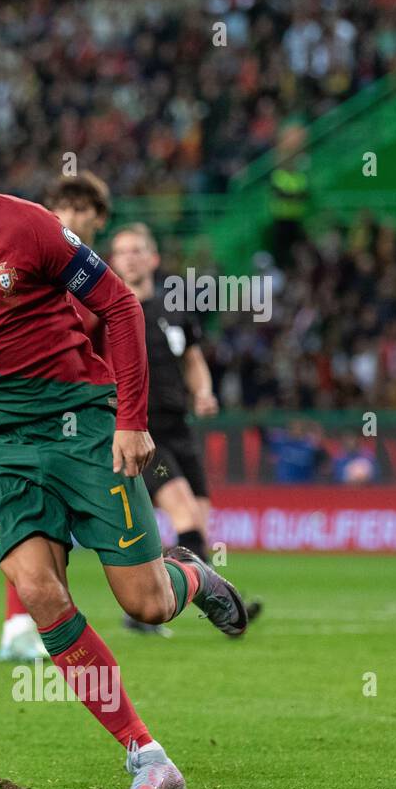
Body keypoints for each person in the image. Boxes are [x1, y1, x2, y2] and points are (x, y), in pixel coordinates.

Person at [0, 105, 248, 789]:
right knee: (40, 592)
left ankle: (193, 579)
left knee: (147, 602)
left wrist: (130, 421)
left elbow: (120, 308)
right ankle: (147, 755)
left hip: (83, 426)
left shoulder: (27, 227)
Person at [107, 223, 262, 635]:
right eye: (123, 252)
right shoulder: (107, 312)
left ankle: (146, 607)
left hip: (179, 426)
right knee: (185, 514)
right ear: (113, 261)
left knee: (198, 524)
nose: (131, 257)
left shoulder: (174, 310)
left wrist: (205, 392)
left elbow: (192, 359)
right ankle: (225, 609)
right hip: (141, 430)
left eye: (138, 250)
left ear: (153, 258)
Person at [0, 171, 111, 663]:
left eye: (82, 207)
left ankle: (39, 622)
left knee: (59, 528)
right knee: (27, 520)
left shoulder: (103, 286)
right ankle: (18, 625)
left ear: (99, 219)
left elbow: (110, 357)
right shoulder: (30, 267)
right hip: (20, 418)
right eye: (62, 204)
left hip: (80, 423)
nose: (71, 215)